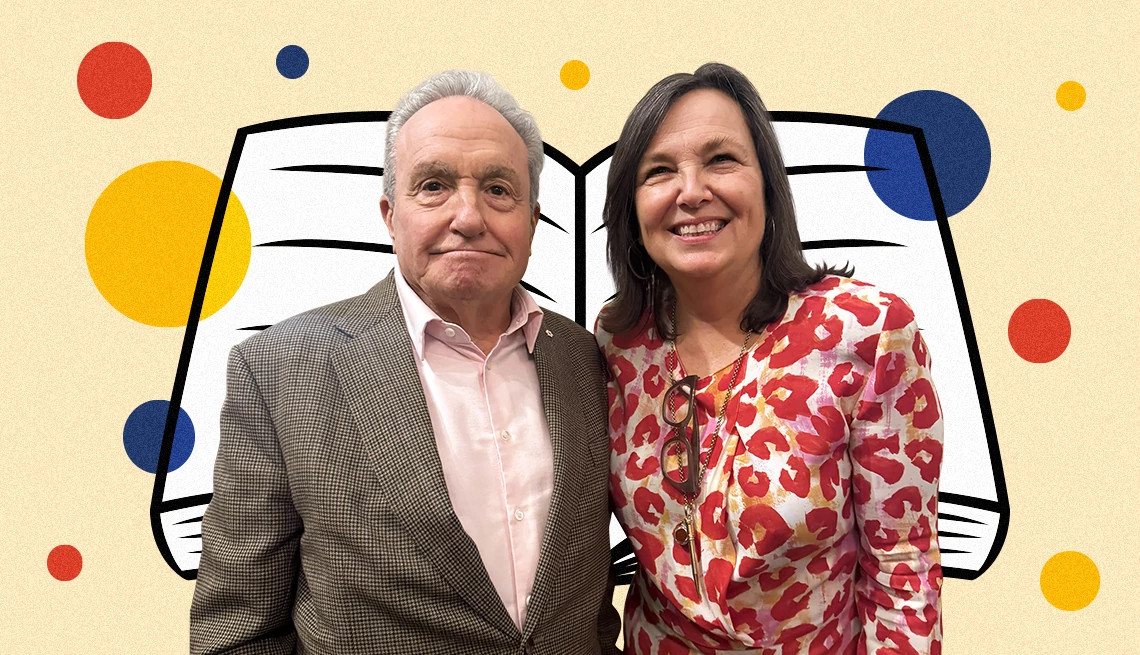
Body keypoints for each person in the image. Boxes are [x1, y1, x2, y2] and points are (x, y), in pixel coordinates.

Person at [190, 70, 620, 655]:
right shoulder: (279, 369)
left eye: (498, 189)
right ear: (391, 216)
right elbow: (238, 633)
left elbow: (588, 603)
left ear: (533, 220)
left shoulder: (584, 360)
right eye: (435, 186)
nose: (469, 216)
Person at [596, 63, 942, 654]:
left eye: (721, 160)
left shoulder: (868, 332)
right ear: (633, 207)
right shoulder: (617, 340)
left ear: (767, 184)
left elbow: (901, 568)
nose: (691, 190)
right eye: (659, 171)